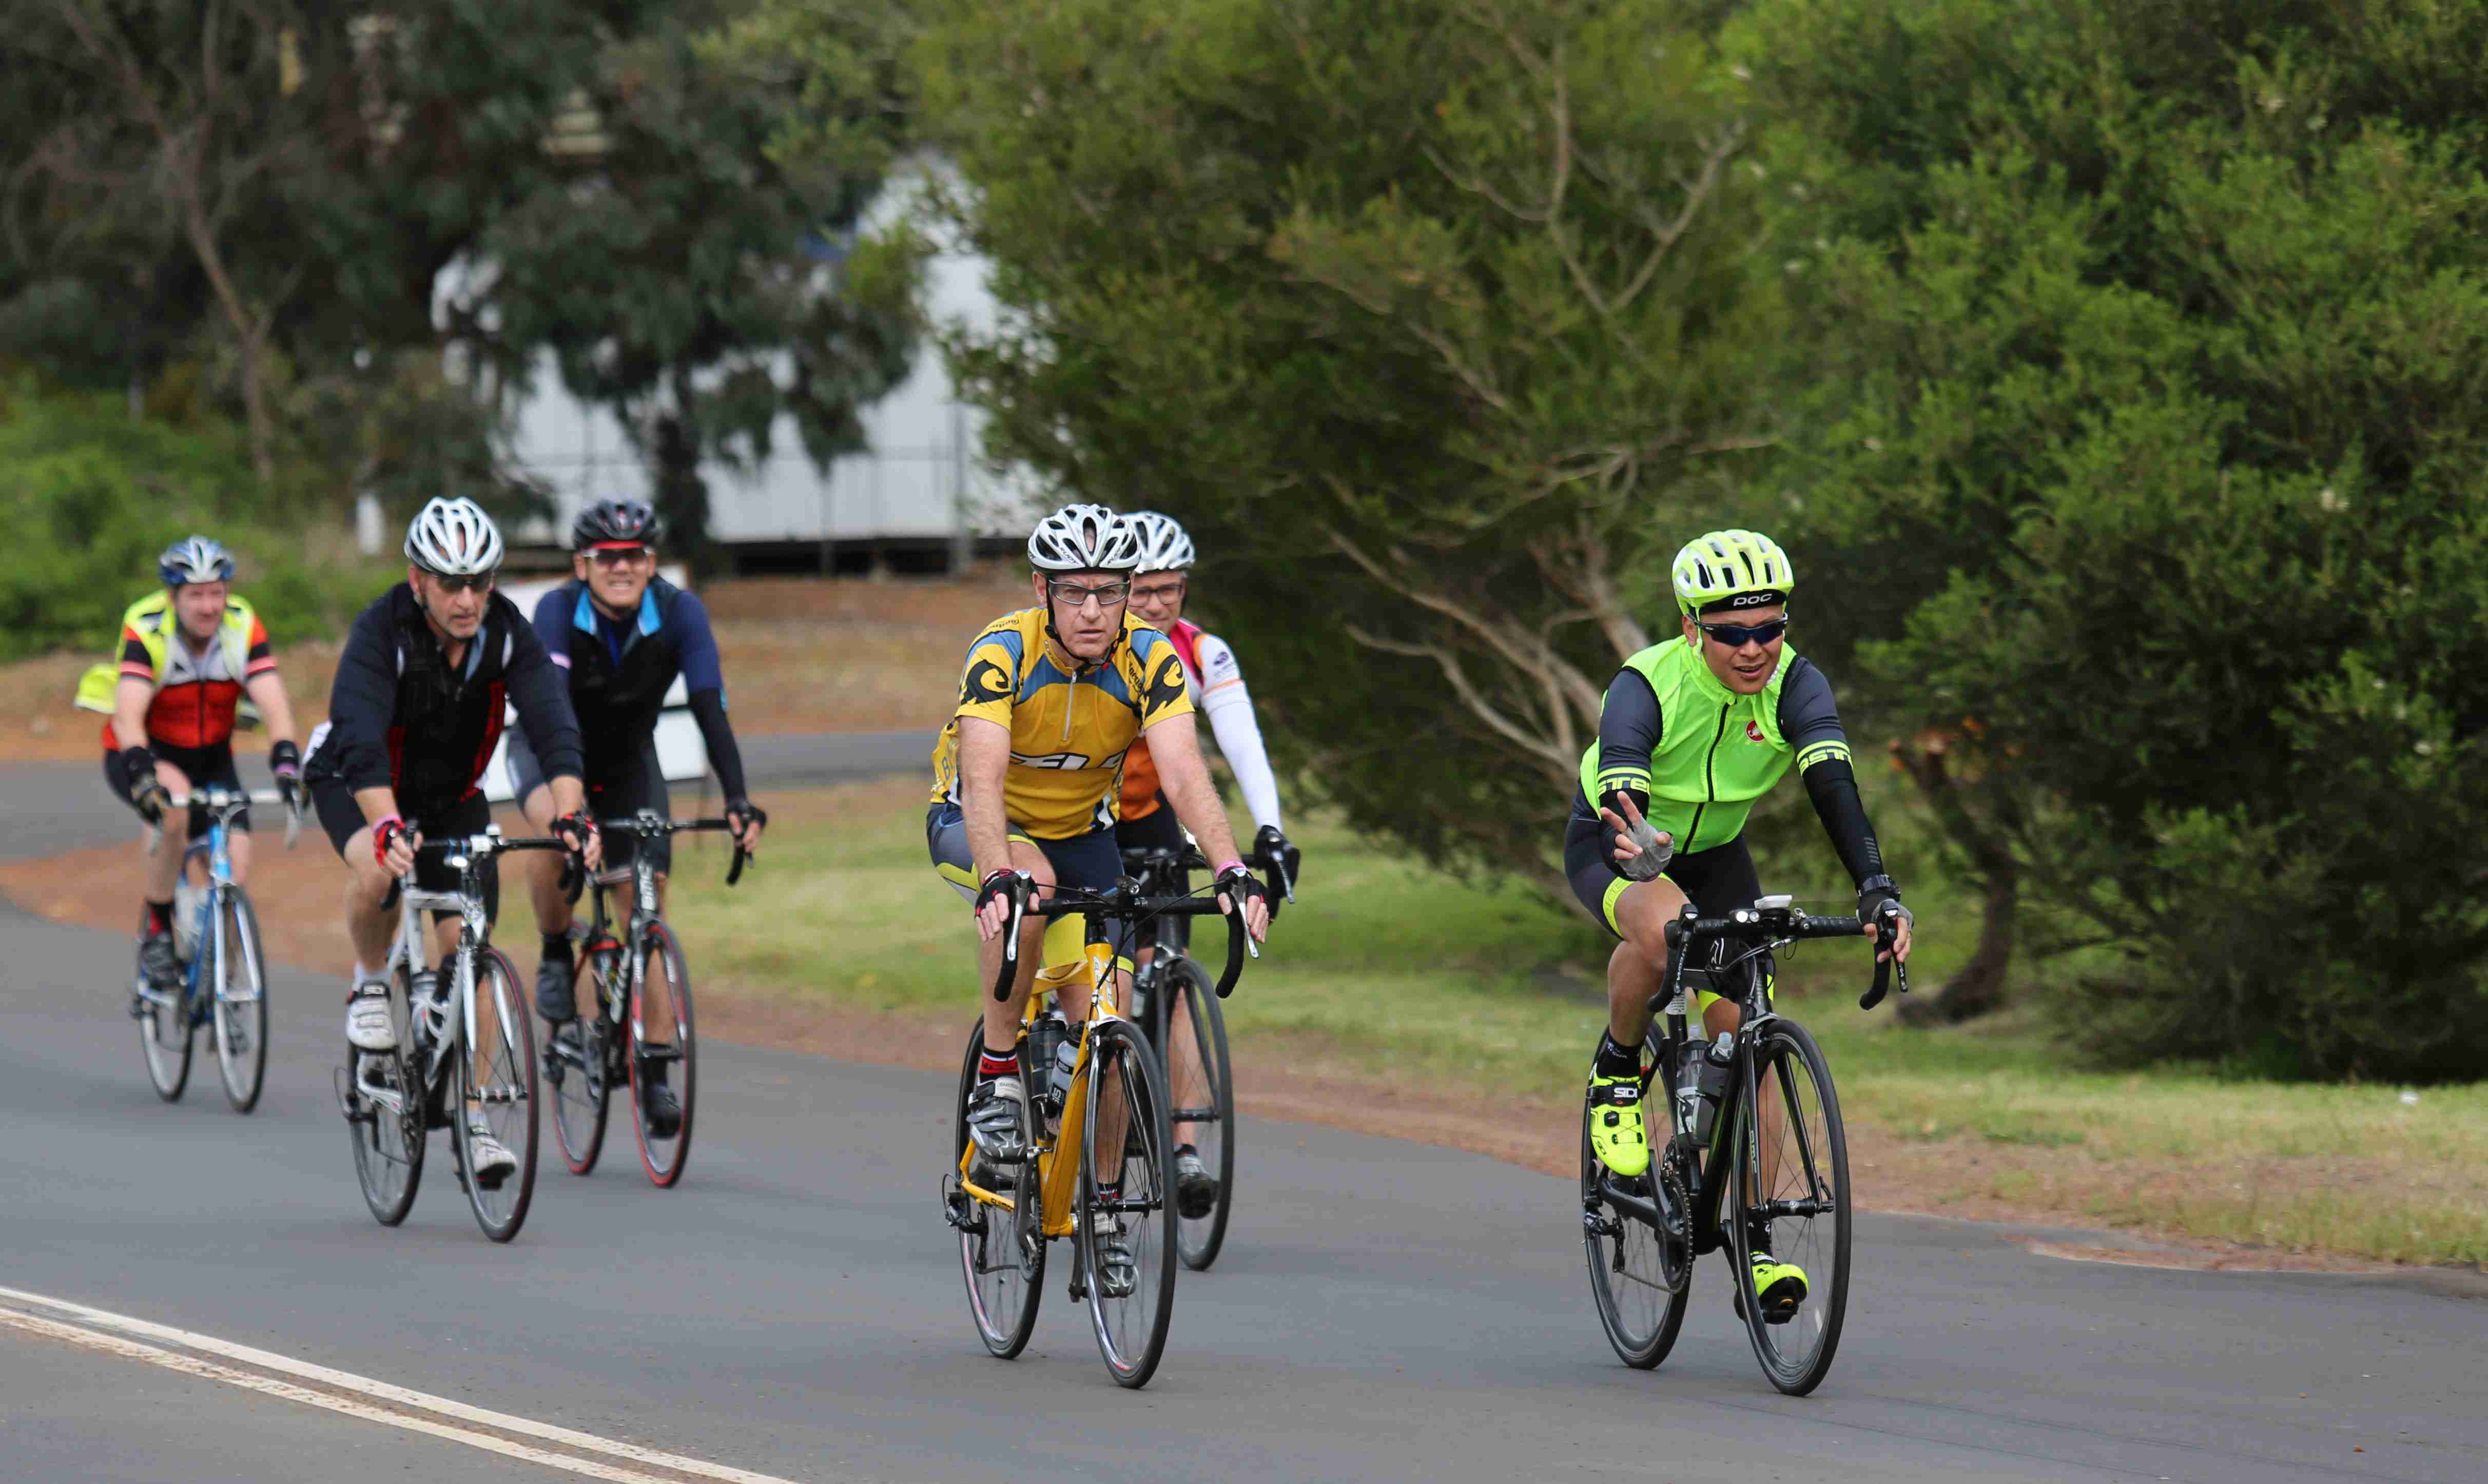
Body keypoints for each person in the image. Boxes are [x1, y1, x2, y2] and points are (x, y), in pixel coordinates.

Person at [1566, 529, 1914, 1321]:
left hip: (1719, 853)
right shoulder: (1646, 683)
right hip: (1621, 838)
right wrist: (1637, 833)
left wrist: (1876, 889)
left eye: (1770, 627)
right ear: (1692, 627)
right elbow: (1623, 776)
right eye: (1732, 633)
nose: (1754, 648)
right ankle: (1618, 1072)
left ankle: (1756, 1248)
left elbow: (1834, 785)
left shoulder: (1797, 685)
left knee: (1748, 1034)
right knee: (1664, 935)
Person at [929, 503, 1272, 1293]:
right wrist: (996, 872)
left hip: (1084, 831)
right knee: (1032, 890)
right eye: (1075, 591)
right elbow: (982, 776)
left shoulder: (1150, 658)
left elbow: (1183, 770)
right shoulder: (1002, 651)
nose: (1093, 610)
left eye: (1110, 591)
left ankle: (1108, 1214)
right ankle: (999, 1074)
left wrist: (1228, 866)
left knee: (1108, 1023)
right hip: (983, 821)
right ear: (1042, 590)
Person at [300, 497, 601, 1188]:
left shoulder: (506, 632)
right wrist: (385, 824)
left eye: (479, 582)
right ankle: (369, 984)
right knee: (380, 871)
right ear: (418, 580)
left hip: (452, 798)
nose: (467, 599)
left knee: (472, 956)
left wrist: (570, 816)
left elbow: (554, 723)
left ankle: (475, 1123)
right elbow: (359, 734)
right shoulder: (383, 631)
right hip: (357, 778)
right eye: (451, 583)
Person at [509, 498, 765, 1140]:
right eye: (607, 558)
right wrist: (573, 813)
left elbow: (709, 706)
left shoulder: (680, 613)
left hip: (628, 764)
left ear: (651, 564)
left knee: (645, 909)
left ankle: (655, 1069)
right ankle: (554, 949)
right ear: (582, 565)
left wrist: (737, 799)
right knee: (557, 836)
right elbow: (552, 711)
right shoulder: (557, 612)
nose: (621, 567)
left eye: (634, 556)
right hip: (549, 751)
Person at [1112, 510, 1298, 1219]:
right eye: (1143, 590)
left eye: (1171, 588)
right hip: (1089, 818)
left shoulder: (1201, 652)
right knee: (1097, 967)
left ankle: (1185, 1146)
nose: (1158, 603)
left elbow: (1242, 742)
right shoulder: (1097, 652)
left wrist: (1270, 830)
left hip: (1156, 817)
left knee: (1173, 972)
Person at [78, 538, 300, 1007]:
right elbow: (128, 716)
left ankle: (217, 971)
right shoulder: (148, 628)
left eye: (217, 593)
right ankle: (159, 929)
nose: (209, 606)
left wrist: (286, 760)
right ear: (173, 597)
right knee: (174, 807)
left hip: (212, 757)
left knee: (235, 869)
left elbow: (274, 703)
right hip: (142, 752)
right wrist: (143, 774)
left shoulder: (241, 624)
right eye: (196, 595)